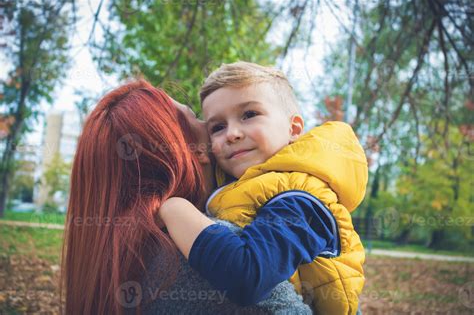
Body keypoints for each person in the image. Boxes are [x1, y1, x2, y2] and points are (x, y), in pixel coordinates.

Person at [60, 79, 312, 314]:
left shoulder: (112, 263)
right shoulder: (215, 252)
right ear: (196, 150)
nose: (229, 135)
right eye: (210, 124)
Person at [158, 62, 368, 314]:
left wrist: (173, 208)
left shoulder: (301, 198)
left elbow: (246, 276)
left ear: (294, 129)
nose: (232, 133)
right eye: (217, 127)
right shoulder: (239, 190)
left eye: (249, 114)